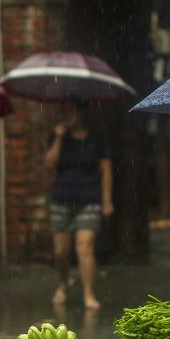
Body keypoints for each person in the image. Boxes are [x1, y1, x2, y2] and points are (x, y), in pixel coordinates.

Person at [44, 97, 114, 310]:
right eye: (64, 110)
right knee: (60, 252)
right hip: (62, 199)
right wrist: (58, 138)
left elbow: (106, 171)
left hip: (89, 199)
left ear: (82, 112)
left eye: (71, 110)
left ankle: (88, 293)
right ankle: (64, 282)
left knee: (85, 246)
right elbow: (49, 164)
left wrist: (107, 201)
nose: (67, 114)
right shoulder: (59, 138)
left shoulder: (97, 140)